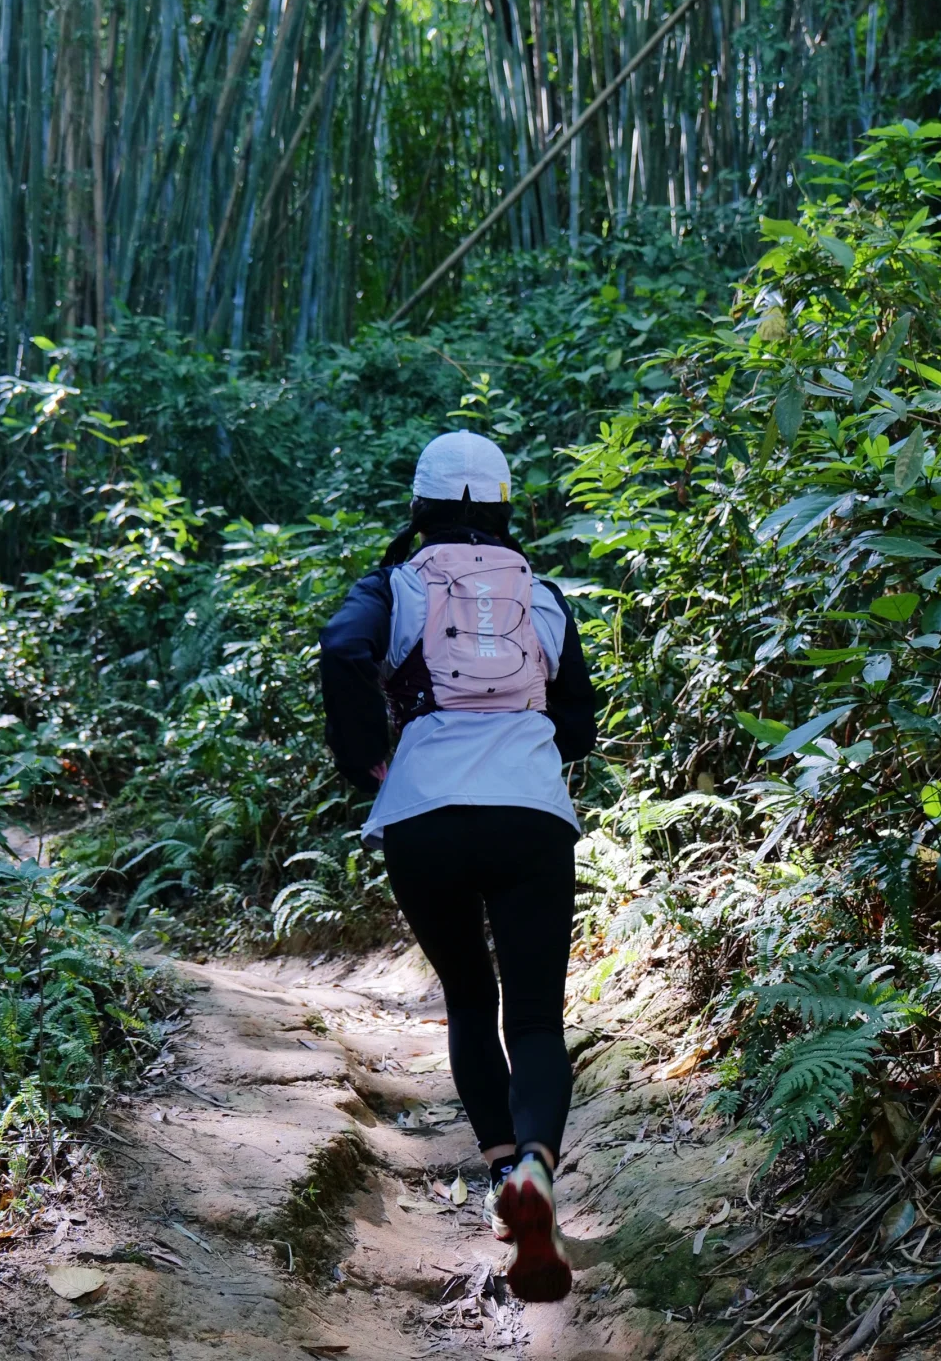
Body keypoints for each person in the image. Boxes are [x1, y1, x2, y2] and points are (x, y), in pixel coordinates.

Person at [319, 430, 597, 1304]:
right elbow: (580, 725)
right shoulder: (542, 596)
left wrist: (368, 759)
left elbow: (341, 650)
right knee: (540, 1021)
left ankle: (501, 1172)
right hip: (530, 816)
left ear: (420, 507)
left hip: (424, 819)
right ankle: (539, 1176)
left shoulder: (394, 587)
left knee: (472, 1002)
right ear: (507, 506)